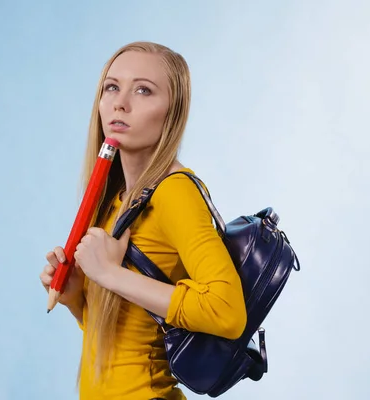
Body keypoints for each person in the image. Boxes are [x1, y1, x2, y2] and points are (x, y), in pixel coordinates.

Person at [39, 41, 247, 400]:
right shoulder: (118, 199)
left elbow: (227, 312)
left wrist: (108, 274)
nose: (121, 102)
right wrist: (77, 299)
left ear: (172, 112)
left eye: (143, 90)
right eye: (112, 87)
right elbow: (119, 343)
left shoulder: (174, 192)